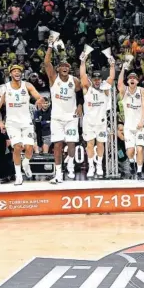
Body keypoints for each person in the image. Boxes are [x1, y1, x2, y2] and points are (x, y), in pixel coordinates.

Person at [0, 64, 45, 185]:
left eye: (19, 71)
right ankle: (18, 176)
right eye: (14, 71)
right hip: (12, 123)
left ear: (21, 74)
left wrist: (39, 99)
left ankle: (26, 163)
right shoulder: (4, 88)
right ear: (10, 74)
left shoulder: (27, 85)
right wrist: (1, 97)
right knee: (17, 147)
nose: (17, 73)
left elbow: (38, 96)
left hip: (26, 121)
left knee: (29, 148)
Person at [44, 36, 83, 183]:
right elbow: (46, 62)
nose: (65, 67)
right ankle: (59, 174)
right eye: (62, 66)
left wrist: (80, 105)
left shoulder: (75, 80)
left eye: (67, 66)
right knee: (58, 144)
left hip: (71, 117)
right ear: (58, 68)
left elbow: (80, 95)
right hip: (57, 117)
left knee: (72, 142)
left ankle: (71, 166)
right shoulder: (54, 78)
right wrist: (50, 46)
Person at [79, 50, 115, 178]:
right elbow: (83, 75)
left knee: (100, 144)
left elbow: (111, 77)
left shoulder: (105, 89)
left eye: (99, 79)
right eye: (95, 79)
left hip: (101, 122)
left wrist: (112, 65)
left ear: (101, 79)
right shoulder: (87, 88)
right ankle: (91, 166)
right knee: (90, 144)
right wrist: (83, 61)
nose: (97, 81)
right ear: (92, 80)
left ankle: (99, 165)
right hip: (88, 122)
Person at [117, 65, 144, 180]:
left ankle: (139, 171)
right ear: (127, 80)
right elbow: (119, 84)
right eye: (130, 78)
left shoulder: (142, 91)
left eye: (134, 78)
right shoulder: (124, 91)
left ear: (137, 81)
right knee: (130, 151)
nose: (132, 79)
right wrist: (122, 69)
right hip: (128, 126)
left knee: (140, 149)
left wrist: (141, 120)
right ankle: (131, 162)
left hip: (140, 125)